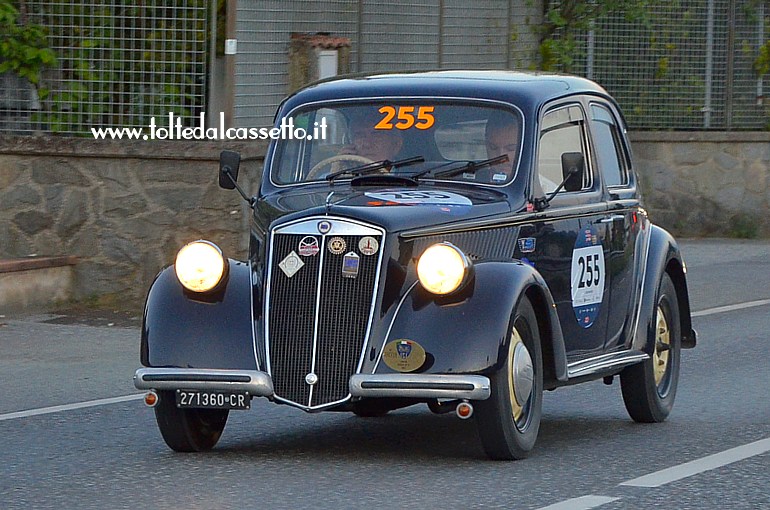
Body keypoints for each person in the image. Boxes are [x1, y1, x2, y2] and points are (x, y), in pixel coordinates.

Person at [482, 113, 520, 183]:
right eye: (493, 148)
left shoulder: (539, 188)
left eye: (510, 148)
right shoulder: (472, 181)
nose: (501, 157)